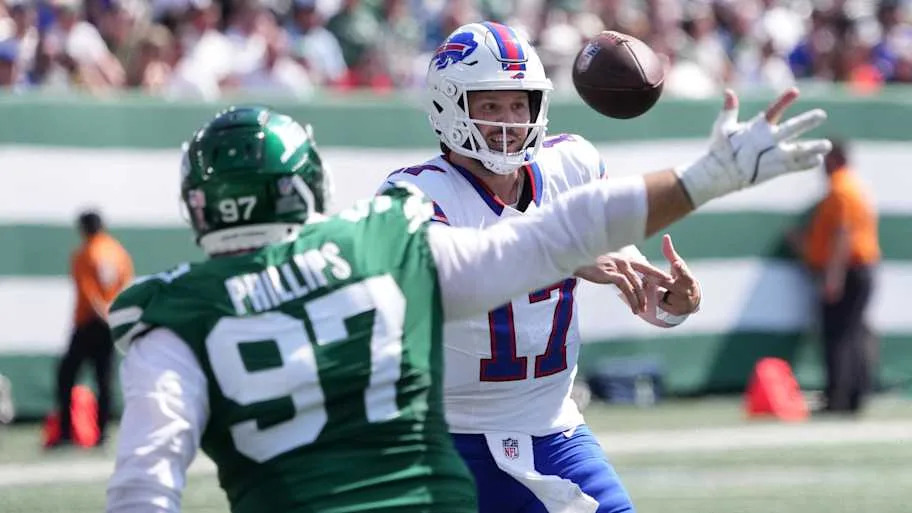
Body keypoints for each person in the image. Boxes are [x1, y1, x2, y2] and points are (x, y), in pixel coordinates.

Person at [104, 93, 828, 512]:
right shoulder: (380, 244)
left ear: (199, 205)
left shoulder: (172, 313)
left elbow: (145, 481)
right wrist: (706, 177)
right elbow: (545, 242)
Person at [380, 22, 822, 512]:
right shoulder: (414, 195)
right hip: (444, 437)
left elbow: (630, 278)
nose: (508, 122)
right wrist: (567, 251)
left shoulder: (571, 164)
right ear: (449, 107)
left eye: (518, 104)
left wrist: (673, 302)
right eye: (489, 106)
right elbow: (461, 273)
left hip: (553, 430)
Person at [792, 139, 879, 414]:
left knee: (838, 336)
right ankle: (854, 395)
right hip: (860, 269)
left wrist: (833, 277)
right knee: (852, 333)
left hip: (848, 270)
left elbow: (842, 235)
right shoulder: (855, 187)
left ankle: (839, 398)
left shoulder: (841, 189)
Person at [52, 210, 133, 448]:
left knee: (66, 376)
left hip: (90, 322)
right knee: (104, 379)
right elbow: (126, 284)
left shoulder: (86, 253)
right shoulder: (117, 251)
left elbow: (89, 293)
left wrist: (102, 314)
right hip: (110, 322)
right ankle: (103, 433)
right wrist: (114, 315)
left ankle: (66, 432)